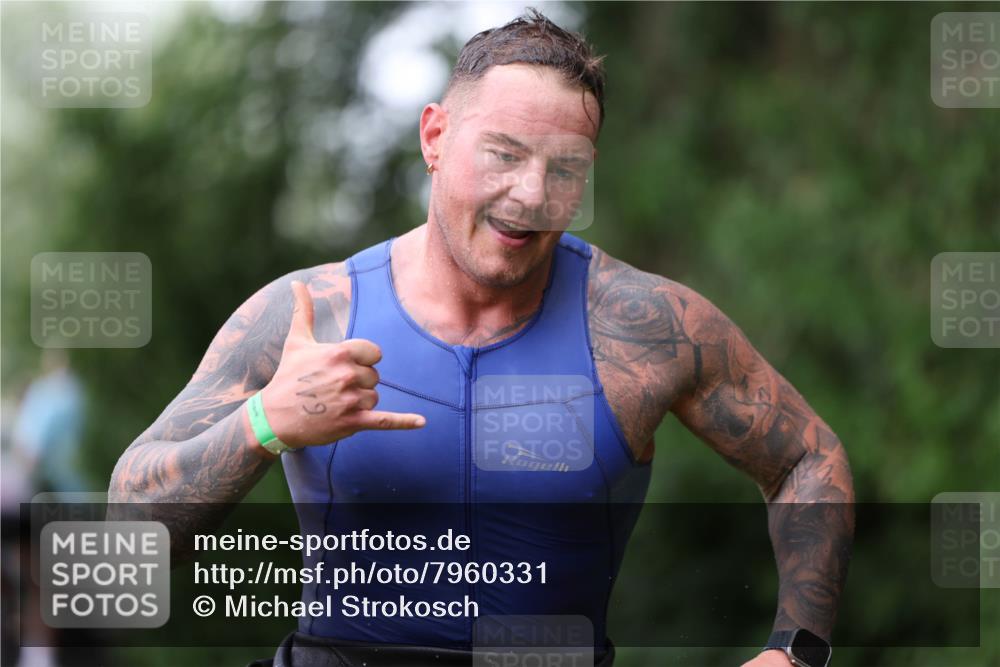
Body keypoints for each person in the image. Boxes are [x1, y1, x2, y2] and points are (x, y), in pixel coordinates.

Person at [109, 9, 854, 667]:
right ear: (435, 136)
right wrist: (265, 422)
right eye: (504, 153)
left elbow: (806, 458)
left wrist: (797, 649)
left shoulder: (646, 326)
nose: (532, 193)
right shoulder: (309, 312)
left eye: (565, 168)